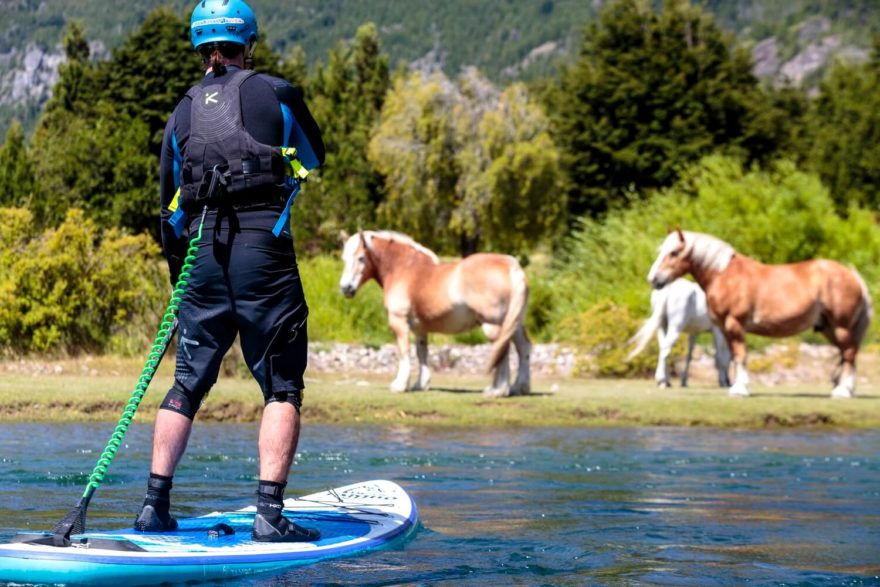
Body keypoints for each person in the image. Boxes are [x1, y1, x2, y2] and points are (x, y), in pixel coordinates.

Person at [134, 0, 325, 543]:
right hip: (262, 257)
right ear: (250, 44)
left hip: (201, 262)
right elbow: (315, 157)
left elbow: (168, 208)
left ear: (201, 48)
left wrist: (182, 283)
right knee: (282, 388)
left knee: (186, 384)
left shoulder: (181, 111)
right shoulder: (277, 93)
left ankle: (154, 505)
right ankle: (269, 515)